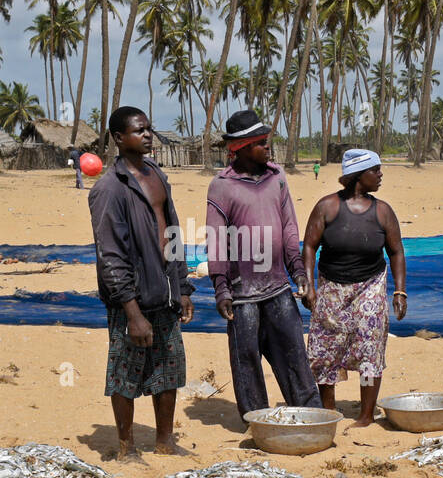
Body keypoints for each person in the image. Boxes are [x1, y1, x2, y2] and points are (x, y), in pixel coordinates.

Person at [89, 106, 194, 458]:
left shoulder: (157, 175)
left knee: (170, 369)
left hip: (164, 291)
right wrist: (132, 311)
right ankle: (126, 446)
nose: (148, 135)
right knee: (125, 374)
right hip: (131, 299)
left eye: (149, 128)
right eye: (139, 130)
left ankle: (164, 441)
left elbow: (174, 231)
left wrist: (183, 287)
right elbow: (111, 255)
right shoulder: (109, 188)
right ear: (119, 138)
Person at [206, 109, 322, 420]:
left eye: (267, 141)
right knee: (246, 361)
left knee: (294, 354)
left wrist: (297, 269)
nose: (268, 148)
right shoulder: (222, 185)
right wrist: (221, 288)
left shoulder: (277, 178)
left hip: (278, 286)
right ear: (240, 148)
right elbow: (216, 240)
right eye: (261, 143)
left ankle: (310, 415)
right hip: (242, 293)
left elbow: (288, 228)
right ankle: (256, 421)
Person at [302, 148, 407, 428]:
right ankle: (328, 410)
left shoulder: (382, 211)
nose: (381, 175)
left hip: (370, 286)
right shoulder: (327, 207)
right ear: (359, 176)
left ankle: (365, 414)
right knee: (325, 347)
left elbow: (396, 252)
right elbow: (310, 246)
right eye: (376, 170)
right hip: (331, 287)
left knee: (370, 346)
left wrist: (399, 291)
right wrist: (309, 286)